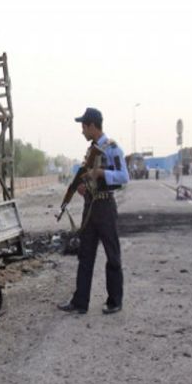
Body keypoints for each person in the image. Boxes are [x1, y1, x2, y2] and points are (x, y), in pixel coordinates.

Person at [58, 108, 129, 315]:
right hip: (90, 207)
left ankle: (114, 301)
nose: (82, 131)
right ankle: (80, 302)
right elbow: (88, 180)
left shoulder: (112, 148)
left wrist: (101, 173)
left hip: (106, 207)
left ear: (92, 126)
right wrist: (83, 188)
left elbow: (124, 177)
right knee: (85, 255)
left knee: (112, 255)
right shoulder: (91, 151)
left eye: (83, 127)